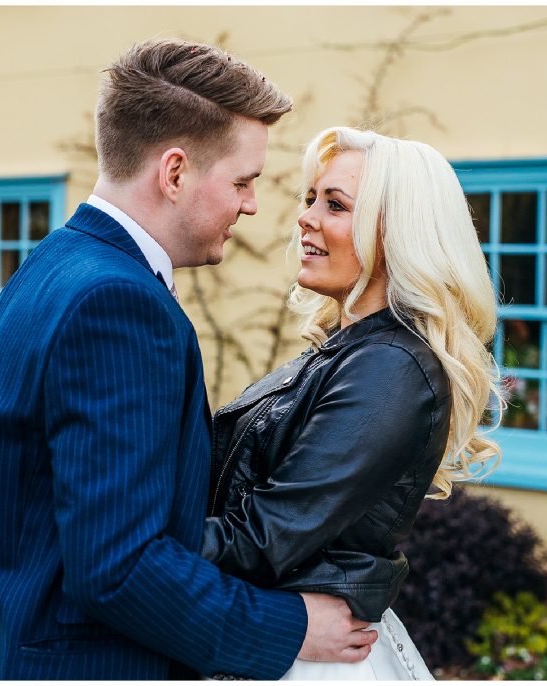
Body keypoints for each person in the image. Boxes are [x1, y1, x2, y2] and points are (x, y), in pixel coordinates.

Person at [0, 41, 376, 680]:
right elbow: (119, 565)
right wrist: (292, 629)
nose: (253, 205)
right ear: (174, 172)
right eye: (242, 180)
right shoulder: (119, 302)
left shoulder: (50, 266)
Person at [201, 126, 503, 680]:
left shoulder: (391, 368)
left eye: (335, 205)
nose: (306, 218)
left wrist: (130, 542)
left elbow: (261, 540)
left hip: (302, 655)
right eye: (311, 198)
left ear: (397, 234)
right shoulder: (349, 351)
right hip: (281, 636)